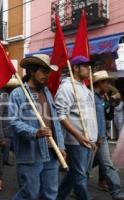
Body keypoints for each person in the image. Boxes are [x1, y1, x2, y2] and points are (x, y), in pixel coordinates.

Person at [8, 54, 65, 200]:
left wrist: (61, 146)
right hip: (31, 154)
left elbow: (55, 121)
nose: (47, 75)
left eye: (48, 72)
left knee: (50, 194)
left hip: (51, 153)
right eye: (44, 71)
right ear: (32, 71)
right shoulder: (18, 94)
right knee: (29, 194)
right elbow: (14, 121)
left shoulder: (47, 93)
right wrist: (35, 132)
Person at [55, 56, 98, 200]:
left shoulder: (84, 87)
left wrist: (94, 138)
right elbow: (61, 116)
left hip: (88, 140)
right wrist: (79, 136)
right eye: (85, 66)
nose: (89, 69)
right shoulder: (67, 87)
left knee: (74, 174)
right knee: (80, 177)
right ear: (75, 68)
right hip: (76, 141)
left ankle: (58, 197)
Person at [92, 70, 124, 200]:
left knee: (107, 164)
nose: (109, 84)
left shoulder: (102, 98)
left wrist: (109, 103)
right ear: (99, 83)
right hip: (91, 138)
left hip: (102, 137)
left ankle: (117, 193)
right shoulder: (90, 97)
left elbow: (108, 116)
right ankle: (72, 190)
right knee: (82, 169)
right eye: (106, 82)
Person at [0, 90, 14, 166]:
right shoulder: (1, 98)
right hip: (4, 133)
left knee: (5, 157)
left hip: (10, 134)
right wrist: (0, 136)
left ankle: (5, 161)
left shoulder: (12, 97)